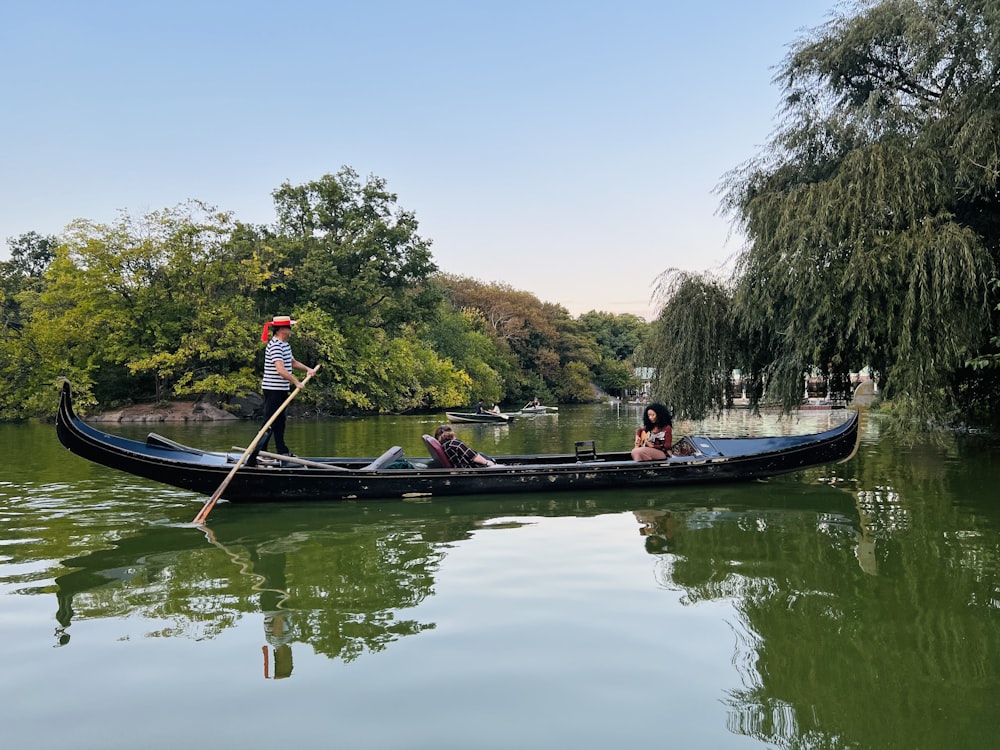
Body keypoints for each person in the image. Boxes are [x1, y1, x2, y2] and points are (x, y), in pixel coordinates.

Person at [249, 315, 317, 464]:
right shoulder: (274, 345)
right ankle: (260, 452)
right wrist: (296, 382)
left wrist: (308, 369)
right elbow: (280, 369)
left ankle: (282, 450)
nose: (291, 330)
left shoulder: (285, 344)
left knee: (280, 421)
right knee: (269, 420)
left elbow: (291, 362)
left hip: (282, 389)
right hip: (272, 388)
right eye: (289, 327)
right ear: (281, 330)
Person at [433, 425, 498, 467]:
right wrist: (487, 463)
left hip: (461, 465)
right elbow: (473, 456)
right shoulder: (454, 444)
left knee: (481, 454)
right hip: (470, 468)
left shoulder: (444, 446)